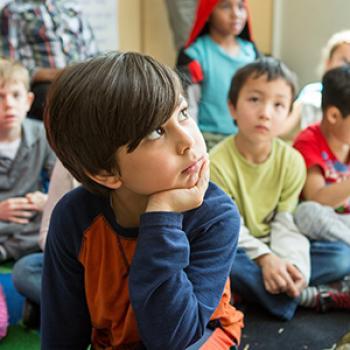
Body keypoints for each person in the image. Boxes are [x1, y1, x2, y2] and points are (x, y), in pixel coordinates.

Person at [41, 52, 244, 350]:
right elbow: (62, 334)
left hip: (199, 336)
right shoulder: (74, 218)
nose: (188, 139)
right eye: (156, 131)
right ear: (105, 172)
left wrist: (162, 218)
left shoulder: (215, 213)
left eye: (183, 113)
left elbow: (174, 339)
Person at [210, 57, 350, 321]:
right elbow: (229, 229)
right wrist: (266, 260)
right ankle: (295, 297)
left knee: (341, 257)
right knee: (215, 262)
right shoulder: (216, 164)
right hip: (237, 247)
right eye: (254, 100)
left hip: (277, 244)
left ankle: (276, 289)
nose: (266, 112)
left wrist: (292, 266)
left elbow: (286, 223)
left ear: (288, 114)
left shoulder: (291, 161)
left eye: (278, 105)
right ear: (232, 107)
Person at [177, 0, 259, 150]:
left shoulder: (252, 53)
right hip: (209, 139)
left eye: (241, 6)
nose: (236, 14)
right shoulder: (194, 55)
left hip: (245, 138)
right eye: (226, 6)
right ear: (207, 13)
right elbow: (190, 104)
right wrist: (193, 141)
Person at [0, 0, 99, 120]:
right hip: (44, 84)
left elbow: (93, 52)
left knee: (111, 93)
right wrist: (53, 74)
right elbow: (10, 66)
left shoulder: (73, 6)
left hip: (83, 78)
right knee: (59, 98)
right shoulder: (12, 11)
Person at [12, 160, 79, 328]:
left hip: (122, 264)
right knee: (25, 269)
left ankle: (55, 304)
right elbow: (46, 234)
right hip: (79, 261)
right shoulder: (66, 163)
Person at [0, 59, 55, 262]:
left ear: (28, 101)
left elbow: (62, 181)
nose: (9, 105)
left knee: (57, 218)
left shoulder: (42, 134)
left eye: (16, 96)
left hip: (29, 218)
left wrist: (46, 200)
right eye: (0, 97)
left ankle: (6, 250)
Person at [293, 66, 350, 250]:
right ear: (334, 115)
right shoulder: (308, 141)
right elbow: (316, 198)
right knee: (308, 212)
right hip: (324, 229)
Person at [280, 30, 350, 139]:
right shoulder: (312, 94)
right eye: (345, 61)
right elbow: (284, 128)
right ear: (328, 63)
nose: (347, 68)